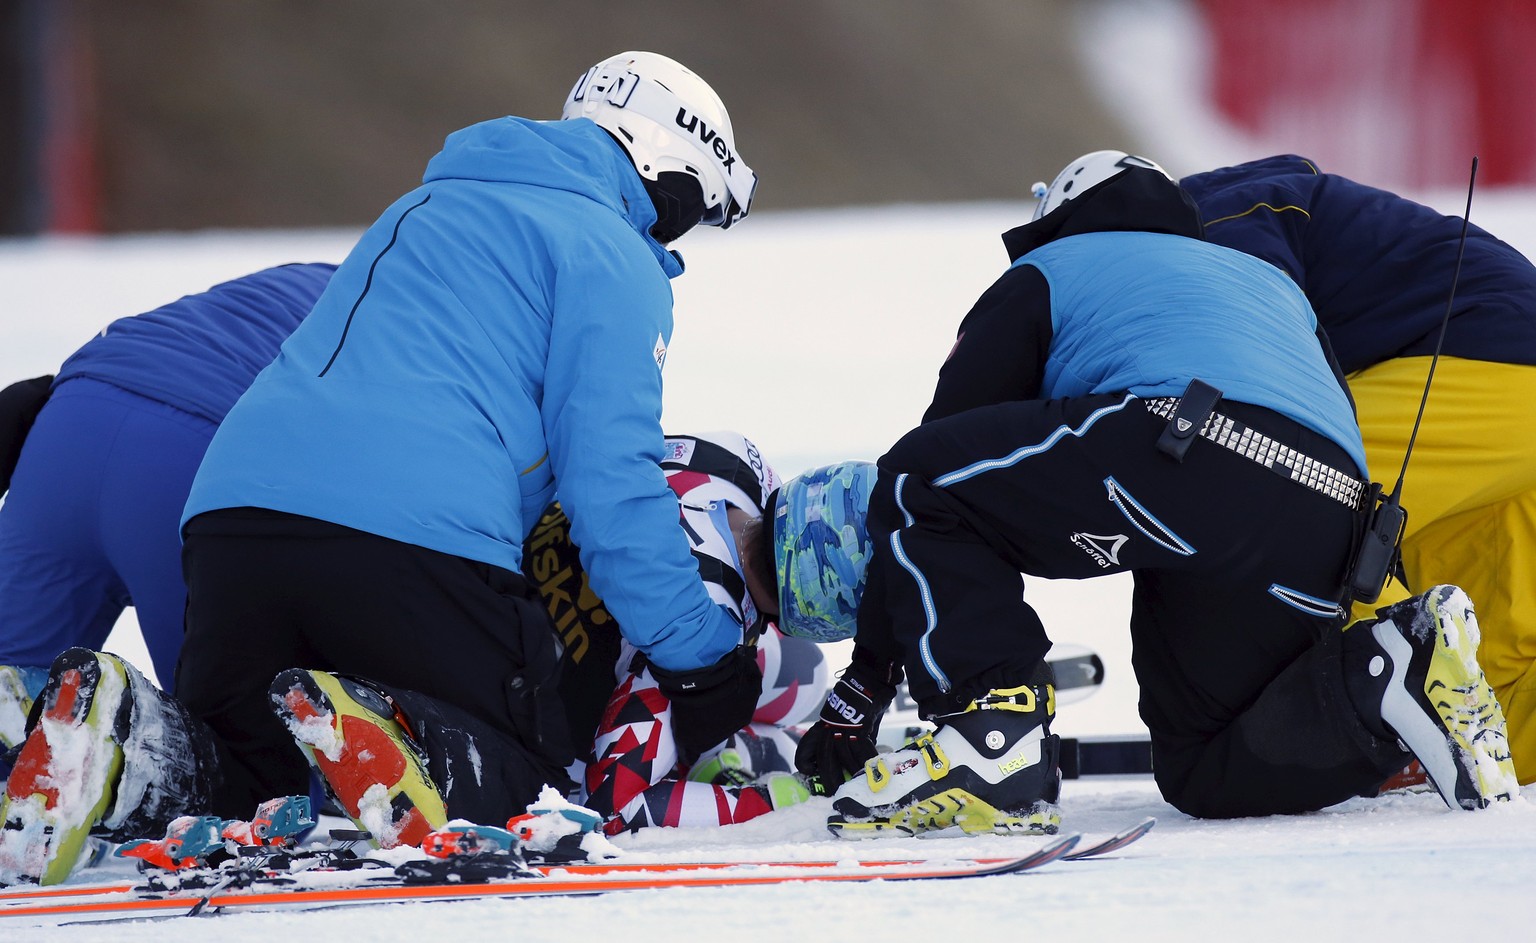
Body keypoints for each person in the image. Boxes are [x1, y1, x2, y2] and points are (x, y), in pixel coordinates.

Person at [0, 50, 769, 886]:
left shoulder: (429, 202)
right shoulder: (610, 255)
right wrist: (702, 660)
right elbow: (612, 487)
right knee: (525, 773)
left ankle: (123, 737)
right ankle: (395, 730)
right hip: (411, 533)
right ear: (669, 167)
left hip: (230, 518)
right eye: (696, 209)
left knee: (246, 778)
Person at [793, 151, 1518, 836]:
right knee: (1203, 764)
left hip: (1186, 448)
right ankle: (1388, 668)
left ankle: (991, 741)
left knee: (924, 476)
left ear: (1062, 218)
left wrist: (868, 681)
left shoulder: (1054, 266)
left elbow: (925, 474)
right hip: (1328, 506)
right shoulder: (1269, 288)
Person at [1180, 154, 1536, 784]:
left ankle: (1389, 707)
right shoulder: (1268, 202)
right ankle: (1482, 737)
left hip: (1471, 362)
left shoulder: (1209, 218)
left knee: (1291, 490)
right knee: (1499, 641)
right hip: (1503, 383)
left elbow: (1258, 348)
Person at [0, 263, 335, 757]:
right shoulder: (415, 320)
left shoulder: (309, 277)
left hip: (68, 427)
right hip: (190, 456)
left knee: (8, 693)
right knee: (243, 750)